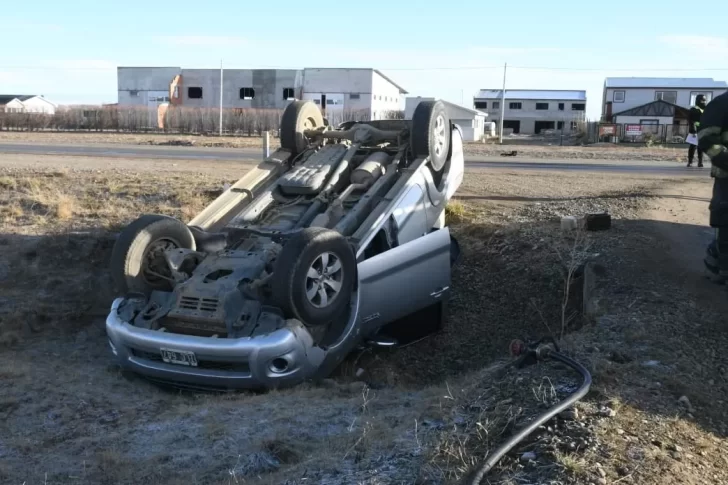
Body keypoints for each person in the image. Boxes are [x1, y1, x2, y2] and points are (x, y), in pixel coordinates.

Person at [697, 90, 728, 278]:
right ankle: (722, 266)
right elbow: (707, 138)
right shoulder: (722, 103)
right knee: (725, 219)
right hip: (727, 176)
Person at [687, 94, 707, 167]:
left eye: (704, 100)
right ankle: (690, 161)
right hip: (694, 130)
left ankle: (700, 162)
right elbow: (690, 120)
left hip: (703, 130)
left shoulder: (706, 109)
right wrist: (692, 129)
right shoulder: (693, 109)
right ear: (698, 100)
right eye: (702, 100)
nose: (703, 102)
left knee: (701, 147)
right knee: (693, 146)